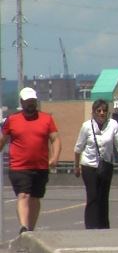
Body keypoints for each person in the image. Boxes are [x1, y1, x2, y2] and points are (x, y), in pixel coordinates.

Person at [0, 87, 62, 234]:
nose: (30, 104)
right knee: (23, 195)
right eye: (28, 102)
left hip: (40, 167)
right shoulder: (12, 120)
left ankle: (30, 230)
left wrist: (54, 157)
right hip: (19, 167)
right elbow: (2, 140)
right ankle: (24, 226)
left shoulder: (46, 119)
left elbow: (55, 139)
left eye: (33, 101)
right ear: (22, 102)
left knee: (35, 198)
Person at [73, 99, 118, 229]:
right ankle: (91, 227)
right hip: (89, 166)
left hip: (106, 165)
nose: (102, 113)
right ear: (93, 112)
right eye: (98, 111)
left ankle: (103, 227)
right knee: (92, 196)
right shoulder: (86, 126)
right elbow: (78, 149)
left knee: (103, 197)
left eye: (104, 111)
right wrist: (76, 166)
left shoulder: (113, 124)